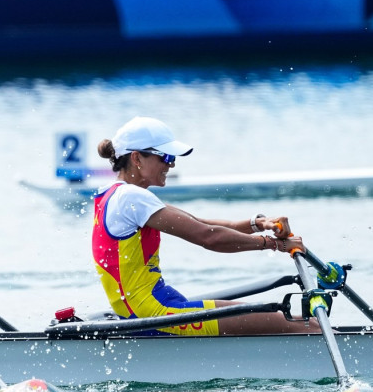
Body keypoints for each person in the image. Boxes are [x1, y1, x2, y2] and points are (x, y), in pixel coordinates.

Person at [93, 116, 311, 336]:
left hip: (149, 311)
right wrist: (273, 245)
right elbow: (209, 237)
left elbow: (200, 223)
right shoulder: (132, 198)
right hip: (156, 315)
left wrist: (259, 224)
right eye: (165, 156)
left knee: (298, 322)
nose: (172, 164)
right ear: (137, 157)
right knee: (299, 325)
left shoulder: (116, 196)